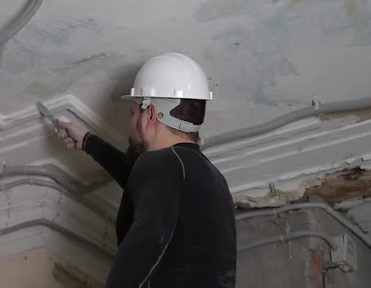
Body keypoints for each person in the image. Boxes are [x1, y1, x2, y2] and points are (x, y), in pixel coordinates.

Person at [57, 53, 237, 288]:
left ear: (150, 113)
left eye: (133, 113)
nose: (130, 124)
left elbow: (147, 241)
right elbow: (143, 185)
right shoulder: (212, 179)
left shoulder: (163, 164)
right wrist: (88, 142)